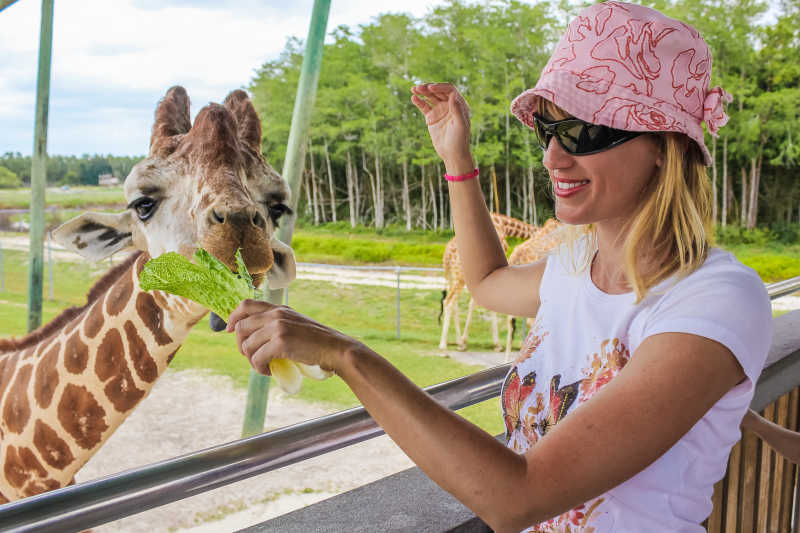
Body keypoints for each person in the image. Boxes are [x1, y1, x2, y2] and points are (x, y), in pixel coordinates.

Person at [226, 3, 773, 531]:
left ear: (665, 146)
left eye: (583, 132)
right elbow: (485, 283)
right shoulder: (576, 267)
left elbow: (518, 496)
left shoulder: (714, 301)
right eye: (547, 131)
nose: (553, 158)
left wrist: (347, 355)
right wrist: (457, 161)